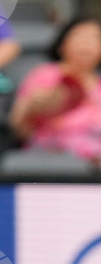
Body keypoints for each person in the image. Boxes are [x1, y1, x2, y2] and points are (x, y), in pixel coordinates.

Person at [10, 17, 101, 163]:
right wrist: (31, 109)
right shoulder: (43, 75)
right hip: (50, 159)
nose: (87, 43)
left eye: (95, 38)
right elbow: (19, 129)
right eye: (79, 35)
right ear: (62, 44)